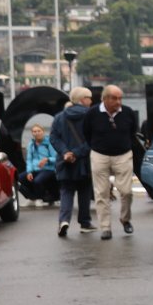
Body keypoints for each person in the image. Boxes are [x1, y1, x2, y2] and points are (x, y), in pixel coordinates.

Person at [82, 85, 142, 240]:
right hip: (99, 155)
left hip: (123, 155)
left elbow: (133, 132)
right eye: (114, 98)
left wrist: (124, 145)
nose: (118, 102)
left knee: (126, 191)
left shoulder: (127, 112)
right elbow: (86, 133)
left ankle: (125, 219)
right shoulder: (92, 113)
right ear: (105, 99)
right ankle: (105, 227)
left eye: (120, 98)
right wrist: (96, 146)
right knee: (101, 193)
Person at [50, 87, 95, 236]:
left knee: (66, 191)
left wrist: (65, 152)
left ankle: (64, 220)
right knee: (84, 191)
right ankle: (84, 222)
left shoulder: (59, 117)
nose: (91, 101)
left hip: (65, 162)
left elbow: (53, 138)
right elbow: (93, 139)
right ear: (82, 100)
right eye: (89, 98)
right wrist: (76, 153)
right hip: (84, 161)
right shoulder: (90, 116)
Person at [20, 123, 59, 204]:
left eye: (39, 131)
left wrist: (47, 159)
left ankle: (42, 198)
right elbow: (29, 160)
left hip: (48, 169)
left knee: (37, 181)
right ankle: (32, 197)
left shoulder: (49, 143)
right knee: (18, 179)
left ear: (43, 132)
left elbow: (56, 158)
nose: (37, 133)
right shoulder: (31, 144)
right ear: (32, 133)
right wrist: (29, 172)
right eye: (34, 131)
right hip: (35, 169)